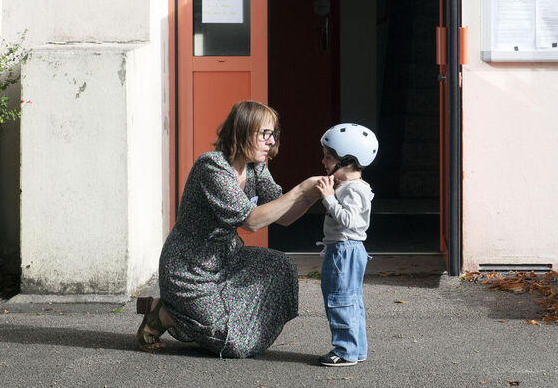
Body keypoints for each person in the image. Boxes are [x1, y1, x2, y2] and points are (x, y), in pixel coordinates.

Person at [135, 100, 329, 357]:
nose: (271, 141)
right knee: (235, 346)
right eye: (265, 134)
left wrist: (315, 194)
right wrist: (301, 189)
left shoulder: (256, 168)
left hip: (228, 258)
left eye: (274, 134)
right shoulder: (212, 167)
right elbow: (252, 221)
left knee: (280, 266)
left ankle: (192, 312)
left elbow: (284, 217)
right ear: (243, 131)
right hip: (189, 269)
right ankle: (164, 313)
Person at [315, 123, 378, 367]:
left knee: (340, 298)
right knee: (350, 299)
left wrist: (329, 198)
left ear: (348, 161)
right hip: (347, 249)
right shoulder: (351, 187)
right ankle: (357, 348)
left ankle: (345, 350)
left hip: (345, 249)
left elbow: (349, 221)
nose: (323, 161)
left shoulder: (354, 190)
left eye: (329, 157)